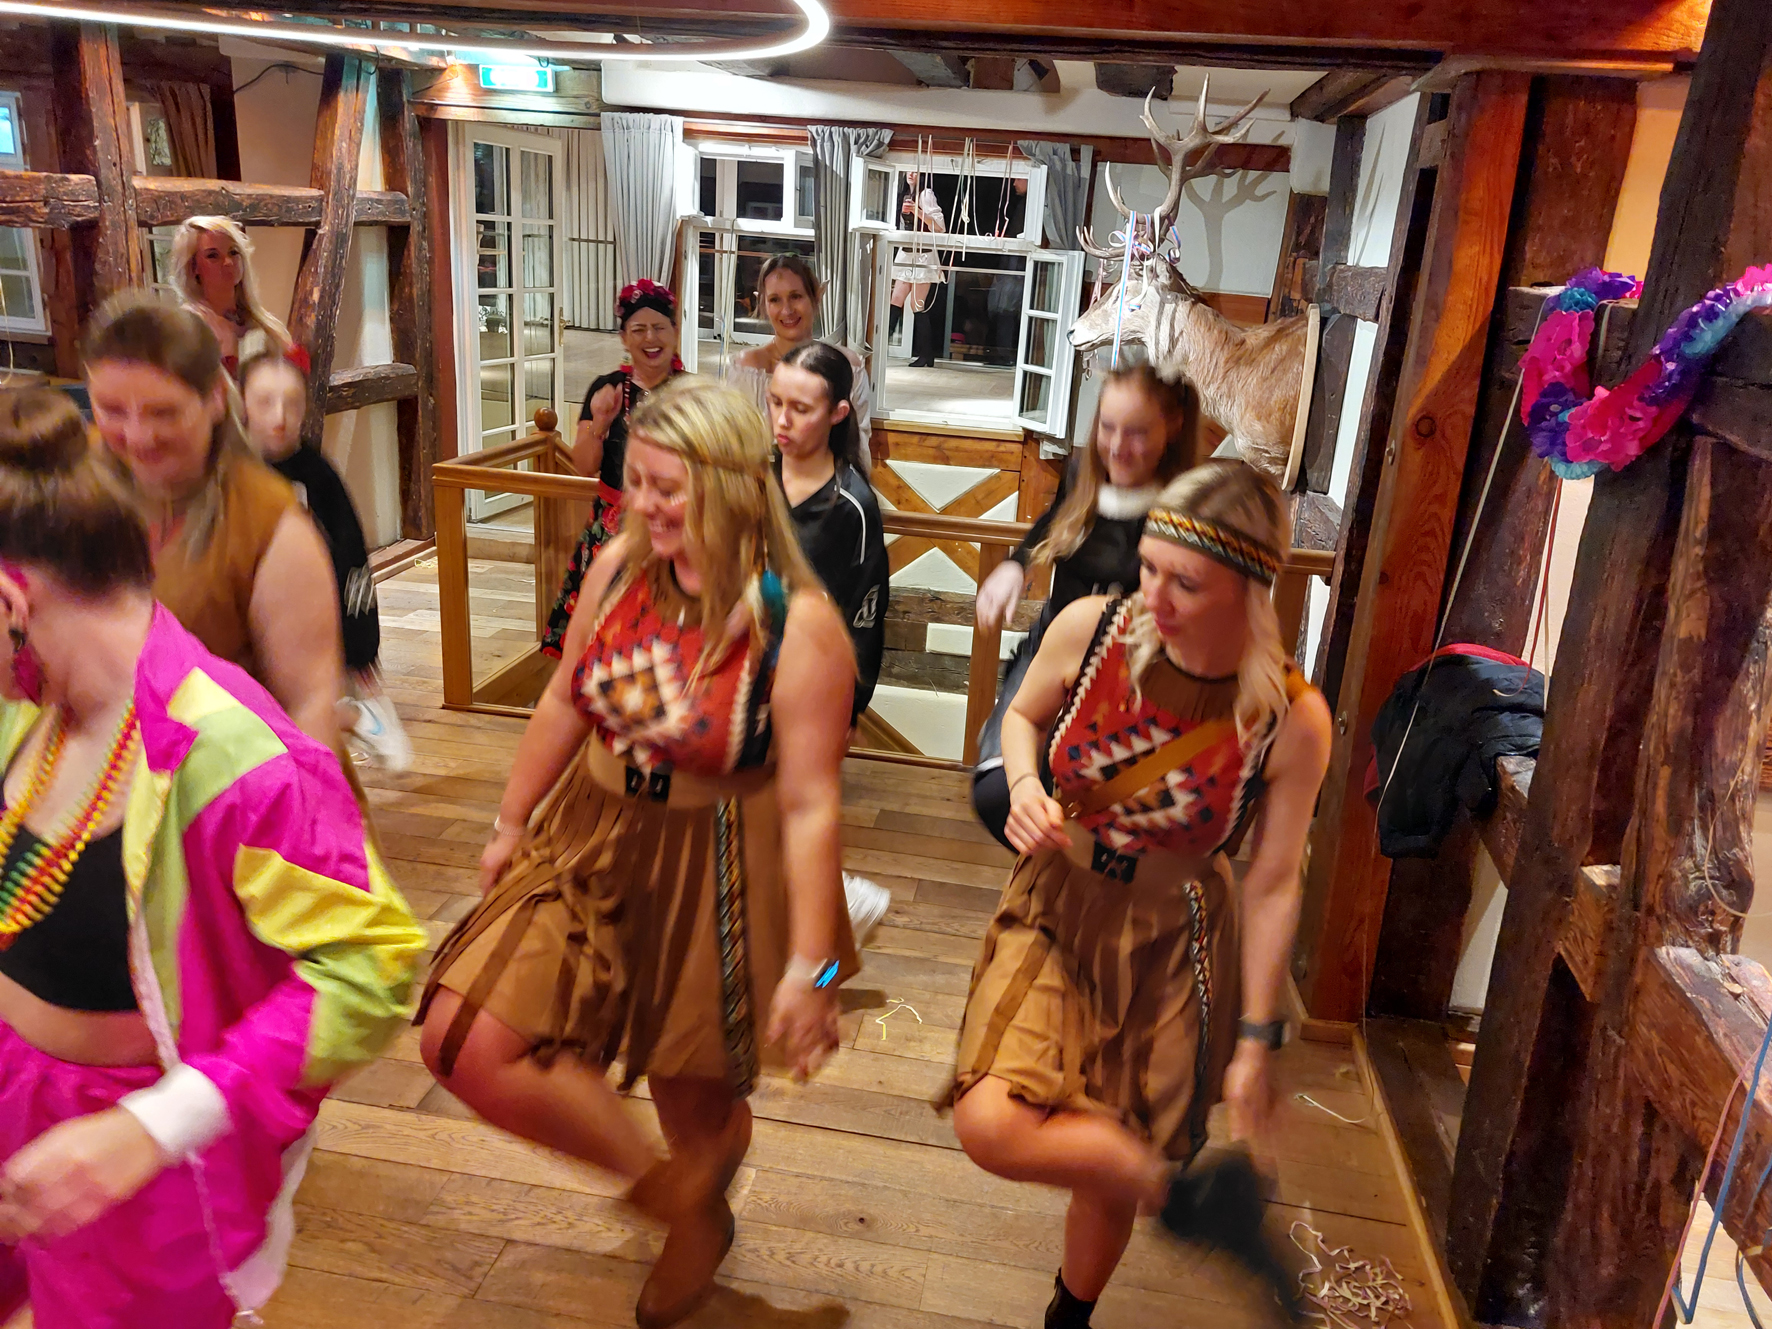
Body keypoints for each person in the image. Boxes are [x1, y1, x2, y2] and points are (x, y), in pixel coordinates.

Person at [418, 381, 857, 1329]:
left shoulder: (801, 625)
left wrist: (813, 971)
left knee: (692, 1099)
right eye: (636, 483)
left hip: (718, 863)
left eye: (666, 489)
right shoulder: (620, 565)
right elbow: (564, 699)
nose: (642, 506)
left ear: (731, 487)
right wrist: (508, 820)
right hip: (589, 830)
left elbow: (813, 808)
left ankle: (698, 1196)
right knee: (462, 1037)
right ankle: (675, 1196)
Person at [0, 388, 423, 1328]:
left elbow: (373, 967)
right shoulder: (23, 703)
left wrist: (154, 1125)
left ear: (12, 600)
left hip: (125, 1156)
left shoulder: (235, 755)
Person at [944, 460, 1331, 1329]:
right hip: (1058, 899)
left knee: (1108, 1144)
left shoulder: (1290, 716)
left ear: (1250, 589)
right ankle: (1188, 1198)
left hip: (1174, 935)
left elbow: (1274, 882)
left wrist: (1257, 1039)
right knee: (990, 1121)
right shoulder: (1093, 629)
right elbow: (1021, 715)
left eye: (1184, 582)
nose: (1153, 595)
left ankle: (1070, 1316)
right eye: (1148, 566)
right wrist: (1023, 781)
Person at [82, 294, 345, 752]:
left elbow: (310, 703)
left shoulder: (270, 524)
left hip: (236, 776)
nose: (138, 437)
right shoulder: (73, 483)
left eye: (164, 412)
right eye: (111, 410)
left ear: (217, 400)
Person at [971, 364, 1191, 849]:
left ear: (1173, 426)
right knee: (996, 790)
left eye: (1137, 432)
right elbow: (1055, 520)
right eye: (1107, 427)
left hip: (1133, 678)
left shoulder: (1188, 504)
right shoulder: (1081, 473)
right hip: (1052, 655)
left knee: (1105, 812)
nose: (1116, 446)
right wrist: (1016, 565)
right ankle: (1056, 875)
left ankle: (1076, 879)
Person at [767, 341, 894, 945]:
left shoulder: (852, 506)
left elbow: (865, 616)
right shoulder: (753, 480)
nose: (782, 420)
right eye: (775, 403)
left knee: (797, 813)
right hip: (742, 676)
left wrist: (850, 708)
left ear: (839, 412)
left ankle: (825, 950)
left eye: (801, 409)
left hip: (811, 690)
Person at [238, 340, 413, 773]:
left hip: (308, 619)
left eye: (292, 403)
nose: (279, 417)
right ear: (242, 405)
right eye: (265, 402)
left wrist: (359, 644)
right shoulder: (229, 474)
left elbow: (351, 559)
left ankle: (359, 718)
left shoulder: (319, 478)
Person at [542, 279, 686, 659]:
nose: (650, 338)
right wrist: (600, 424)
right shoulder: (606, 389)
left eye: (659, 327)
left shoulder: (691, 393)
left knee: (664, 633)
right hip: (611, 530)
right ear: (624, 337)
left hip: (672, 526)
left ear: (675, 331)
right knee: (602, 634)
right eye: (638, 330)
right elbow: (584, 466)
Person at [724, 253, 877, 470]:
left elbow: (858, 447)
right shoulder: (747, 369)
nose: (787, 310)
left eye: (795, 296)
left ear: (815, 298)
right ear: (764, 305)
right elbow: (733, 447)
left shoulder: (847, 365)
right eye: (775, 300)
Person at [168, 216, 292, 374]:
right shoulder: (188, 326)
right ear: (193, 267)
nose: (228, 262)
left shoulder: (260, 320)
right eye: (213, 255)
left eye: (233, 252)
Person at [890, 170, 947, 368]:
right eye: (908, 170)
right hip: (907, 252)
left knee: (917, 305)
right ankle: (879, 348)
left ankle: (926, 354)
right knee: (896, 299)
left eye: (915, 170)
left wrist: (917, 211)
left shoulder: (925, 194)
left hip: (923, 255)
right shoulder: (904, 194)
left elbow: (940, 227)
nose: (911, 174)